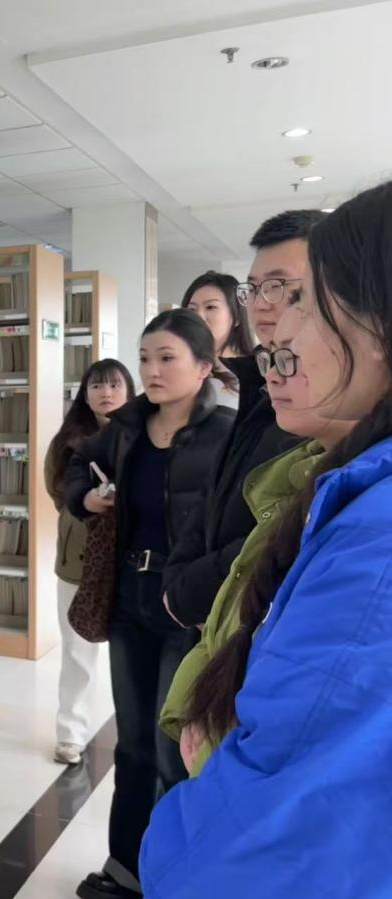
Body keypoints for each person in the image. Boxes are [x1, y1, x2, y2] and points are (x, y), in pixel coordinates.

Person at [141, 180, 392, 899]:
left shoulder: (374, 539)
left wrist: (206, 782)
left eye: (306, 300)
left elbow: (269, 833)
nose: (279, 327)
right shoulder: (342, 480)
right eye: (261, 293)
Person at [65, 309, 234, 899]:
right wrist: (85, 498)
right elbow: (73, 467)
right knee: (133, 745)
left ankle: (172, 874)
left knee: (173, 751)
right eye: (145, 358)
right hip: (129, 603)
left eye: (167, 358)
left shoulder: (227, 433)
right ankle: (125, 869)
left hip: (187, 611)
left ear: (204, 367)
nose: (152, 370)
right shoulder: (128, 428)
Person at [159, 312, 356, 774]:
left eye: (292, 356)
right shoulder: (294, 473)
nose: (275, 374)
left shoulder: (352, 503)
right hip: (200, 660)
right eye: (271, 358)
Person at [161, 210, 325, 634]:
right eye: (253, 289)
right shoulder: (259, 384)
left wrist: (191, 590)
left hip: (257, 619)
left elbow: (284, 527)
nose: (262, 303)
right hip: (214, 613)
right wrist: (179, 577)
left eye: (278, 285)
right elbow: (215, 492)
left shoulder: (326, 398)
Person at [43, 359, 135, 765]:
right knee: (77, 651)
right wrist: (85, 505)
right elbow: (57, 490)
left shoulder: (148, 433)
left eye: (114, 385)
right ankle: (71, 734)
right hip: (78, 559)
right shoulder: (67, 441)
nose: (105, 393)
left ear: (129, 390)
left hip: (131, 558)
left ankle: (136, 734)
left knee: (131, 654)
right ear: (84, 394)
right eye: (96, 386)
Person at [179, 271, 250, 408]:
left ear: (236, 317)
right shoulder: (179, 367)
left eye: (211, 307)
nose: (199, 317)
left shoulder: (255, 372)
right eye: (192, 309)